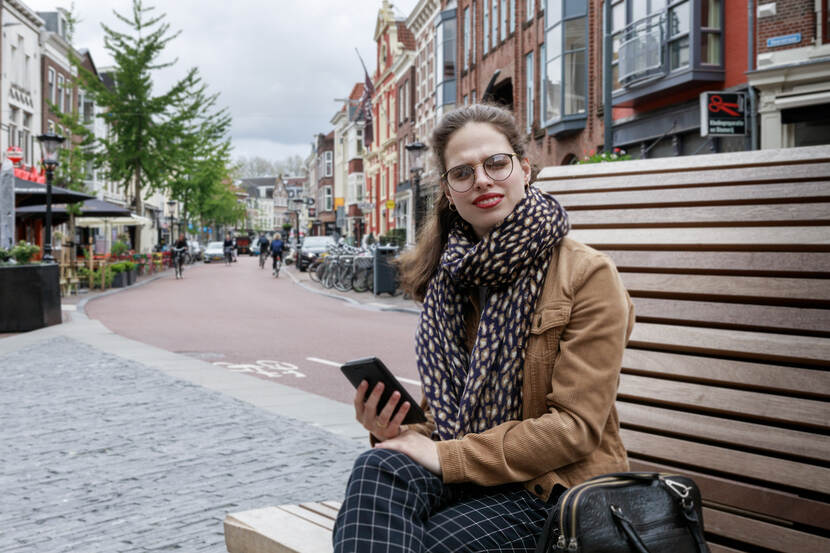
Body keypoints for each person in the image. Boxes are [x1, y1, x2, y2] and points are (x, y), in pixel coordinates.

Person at [332, 104, 635, 553]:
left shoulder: (587, 275)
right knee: (378, 467)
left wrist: (444, 454)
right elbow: (441, 420)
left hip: (552, 489)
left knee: (433, 544)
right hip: (470, 471)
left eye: (496, 163)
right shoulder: (452, 281)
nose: (482, 180)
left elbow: (575, 428)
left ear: (524, 168)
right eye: (463, 172)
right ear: (449, 192)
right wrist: (390, 430)